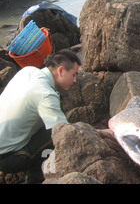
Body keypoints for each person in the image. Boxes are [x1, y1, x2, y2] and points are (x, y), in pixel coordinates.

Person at [0, 49, 81, 183]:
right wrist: (100, 133)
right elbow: (65, 133)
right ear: (60, 71)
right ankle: (38, 178)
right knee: (54, 135)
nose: (75, 80)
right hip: (6, 158)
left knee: (49, 124)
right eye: (73, 75)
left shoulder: (27, 71)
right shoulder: (46, 94)